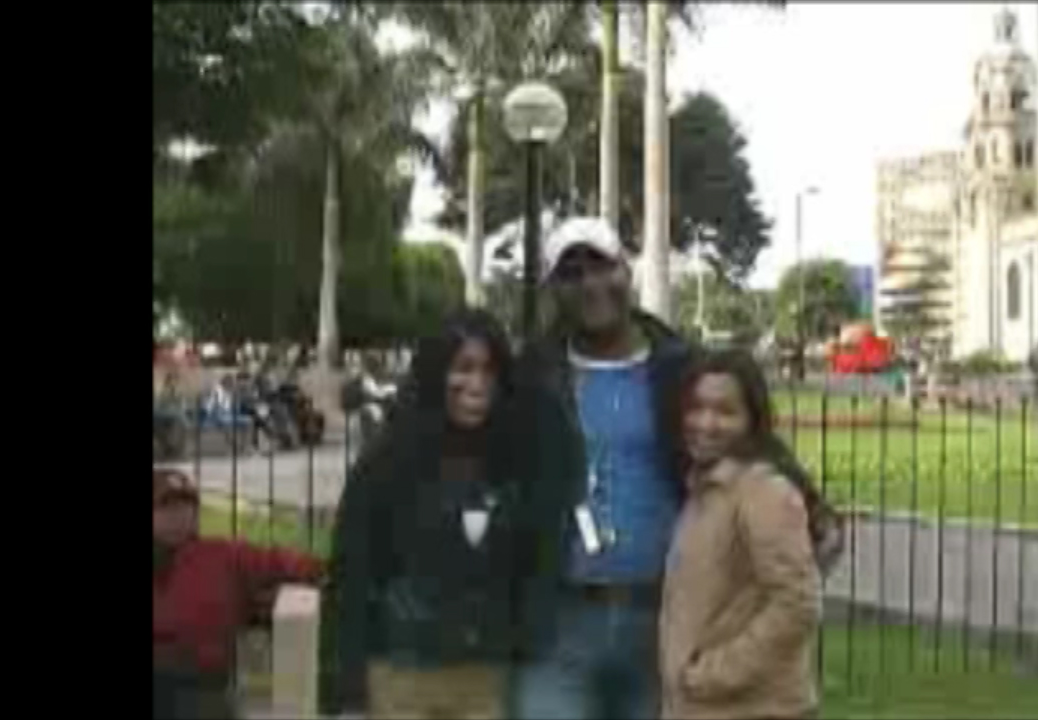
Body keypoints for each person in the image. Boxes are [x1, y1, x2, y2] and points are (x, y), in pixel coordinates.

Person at [512, 217, 694, 719]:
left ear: (626, 270)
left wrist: (808, 501)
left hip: (660, 620)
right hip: (559, 623)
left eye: (601, 266)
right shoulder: (532, 373)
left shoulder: (679, 367)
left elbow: (744, 437)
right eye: (571, 274)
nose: (590, 284)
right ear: (553, 290)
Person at [320, 309, 521, 720]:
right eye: (463, 368)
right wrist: (348, 693)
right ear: (435, 372)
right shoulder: (389, 457)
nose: (477, 383)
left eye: (489, 370)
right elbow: (351, 573)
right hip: (401, 671)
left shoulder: (513, 460)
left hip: (485, 677)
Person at [659, 350, 822, 720]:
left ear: (752, 419)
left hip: (753, 707)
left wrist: (712, 674)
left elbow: (797, 603)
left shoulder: (762, 491)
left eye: (725, 411)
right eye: (696, 407)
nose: (706, 423)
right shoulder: (707, 489)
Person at [153, 468, 324, 720]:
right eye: (167, 508)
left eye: (186, 507)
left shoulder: (225, 556)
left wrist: (321, 572)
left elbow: (287, 563)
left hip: (201, 685)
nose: (178, 516)